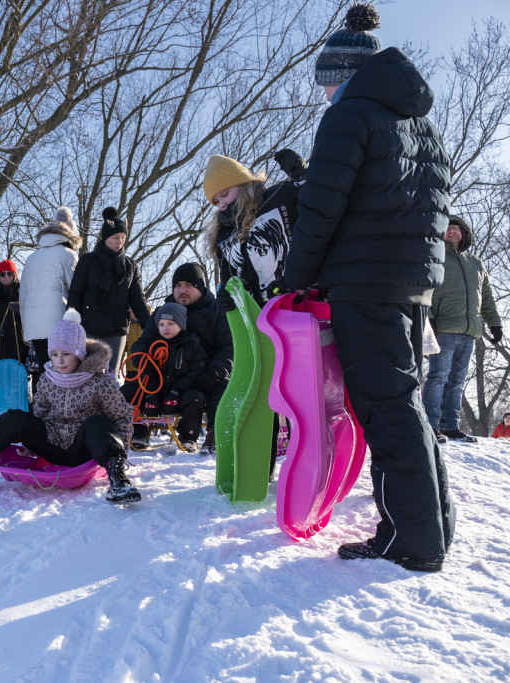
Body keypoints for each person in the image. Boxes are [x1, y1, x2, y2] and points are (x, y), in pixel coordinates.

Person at [278, 4, 454, 572]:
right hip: (411, 283)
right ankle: (434, 527)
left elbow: (321, 209)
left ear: (342, 76)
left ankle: (411, 541)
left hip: (364, 280)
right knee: (408, 403)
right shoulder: (419, 122)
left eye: (326, 85)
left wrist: (294, 277)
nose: (324, 96)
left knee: (385, 406)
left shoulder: (350, 115)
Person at [0, 309, 140, 503]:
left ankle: (117, 477)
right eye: (55, 354)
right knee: (13, 417)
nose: (59, 361)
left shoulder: (99, 381)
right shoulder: (47, 379)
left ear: (79, 354)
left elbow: (121, 416)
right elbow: (40, 416)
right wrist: (29, 444)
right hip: (52, 447)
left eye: (66, 354)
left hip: (83, 450)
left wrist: (119, 452)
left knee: (98, 422)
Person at [134, 263, 232, 454]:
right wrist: (146, 364)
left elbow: (229, 348)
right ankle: (135, 430)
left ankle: (215, 435)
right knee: (131, 388)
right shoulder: (165, 311)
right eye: (178, 285)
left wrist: (213, 373)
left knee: (224, 385)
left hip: (202, 376)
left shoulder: (216, 311)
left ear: (200, 287)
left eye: (188, 285)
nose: (182, 290)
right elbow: (141, 344)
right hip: (166, 376)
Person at [421, 215, 503, 444]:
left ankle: (450, 426)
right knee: (438, 377)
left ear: (464, 233)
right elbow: (425, 289)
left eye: (456, 228)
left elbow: (486, 295)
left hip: (470, 331)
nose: (452, 231)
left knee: (457, 381)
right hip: (443, 328)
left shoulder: (475, 262)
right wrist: (428, 321)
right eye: (447, 229)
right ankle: (430, 425)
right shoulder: (434, 257)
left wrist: (494, 323)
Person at [202, 152, 304, 310]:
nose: (221, 204)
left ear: (243, 184)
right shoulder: (224, 235)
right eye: (216, 201)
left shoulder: (278, 197)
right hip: (264, 318)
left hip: (304, 301)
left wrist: (302, 176)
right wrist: (228, 295)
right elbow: (231, 278)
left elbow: (319, 207)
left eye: (224, 194)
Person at [67, 207, 150, 377]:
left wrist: (149, 327)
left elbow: (137, 298)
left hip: (117, 330)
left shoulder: (130, 266)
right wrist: (70, 324)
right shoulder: (87, 261)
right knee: (86, 376)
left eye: (123, 238)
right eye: (115, 237)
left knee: (110, 378)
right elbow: (76, 293)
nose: (120, 242)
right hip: (89, 329)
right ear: (105, 238)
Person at [122, 303, 207, 452]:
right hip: (157, 391)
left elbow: (196, 372)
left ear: (181, 325)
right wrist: (151, 395)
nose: (165, 328)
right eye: (161, 324)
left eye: (170, 324)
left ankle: (188, 437)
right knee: (128, 393)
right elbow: (149, 372)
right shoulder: (154, 346)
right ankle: (139, 433)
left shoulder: (192, 345)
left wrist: (176, 391)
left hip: (180, 392)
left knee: (196, 398)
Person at [20, 206, 82, 392]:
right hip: (59, 323)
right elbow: (76, 291)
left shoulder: (31, 258)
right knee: (64, 373)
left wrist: (26, 327)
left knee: (44, 371)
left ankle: (42, 414)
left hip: (34, 325)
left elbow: (23, 295)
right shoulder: (68, 254)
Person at [0, 260, 29, 371]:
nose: (6, 276)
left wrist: (22, 310)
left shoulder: (23, 292)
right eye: (2, 274)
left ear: (14, 275)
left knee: (17, 379)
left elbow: (33, 315)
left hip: (18, 345)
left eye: (9, 273)